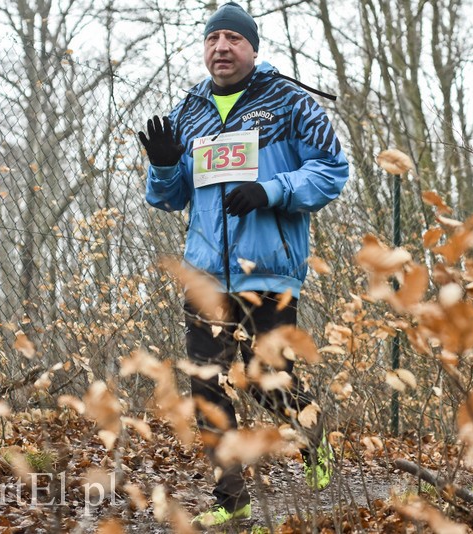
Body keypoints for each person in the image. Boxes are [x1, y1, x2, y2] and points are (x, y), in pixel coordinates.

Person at [137, 2, 349, 527]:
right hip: (204, 271)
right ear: (205, 49)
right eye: (213, 39)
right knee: (208, 383)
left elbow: (332, 170)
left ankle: (314, 442)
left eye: (234, 38)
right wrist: (164, 165)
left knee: (263, 377)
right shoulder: (190, 111)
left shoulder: (289, 102)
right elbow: (168, 198)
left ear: (253, 48)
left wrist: (272, 190)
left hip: (268, 269)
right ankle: (231, 499)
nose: (222, 48)